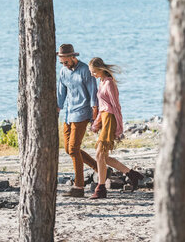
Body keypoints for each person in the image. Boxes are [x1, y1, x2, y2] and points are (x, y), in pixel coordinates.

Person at [88, 57, 143, 199]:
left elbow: (116, 107)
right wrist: (95, 124)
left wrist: (119, 127)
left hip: (111, 120)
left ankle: (101, 188)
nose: (92, 74)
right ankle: (132, 174)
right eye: (91, 72)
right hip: (105, 119)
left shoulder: (110, 84)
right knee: (104, 156)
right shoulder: (101, 83)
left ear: (101, 69)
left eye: (94, 72)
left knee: (99, 154)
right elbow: (102, 108)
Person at [57, 44, 99, 198]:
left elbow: (93, 92)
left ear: (73, 57)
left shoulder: (85, 71)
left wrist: (95, 114)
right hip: (68, 114)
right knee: (69, 149)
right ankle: (100, 169)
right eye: (61, 62)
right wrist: (58, 108)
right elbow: (61, 93)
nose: (64, 65)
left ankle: (79, 187)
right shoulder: (63, 72)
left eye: (66, 62)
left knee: (74, 148)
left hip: (82, 114)